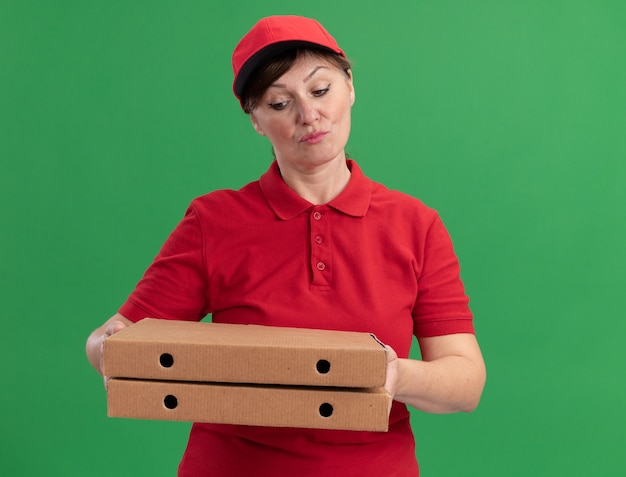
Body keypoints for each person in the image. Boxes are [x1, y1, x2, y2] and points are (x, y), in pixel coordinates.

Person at [86, 15, 486, 477]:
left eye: (320, 91)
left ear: (350, 86)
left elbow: (465, 380)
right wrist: (108, 347)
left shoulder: (416, 225)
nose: (308, 115)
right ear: (256, 119)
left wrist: (392, 374)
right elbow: (110, 338)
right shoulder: (213, 221)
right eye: (280, 102)